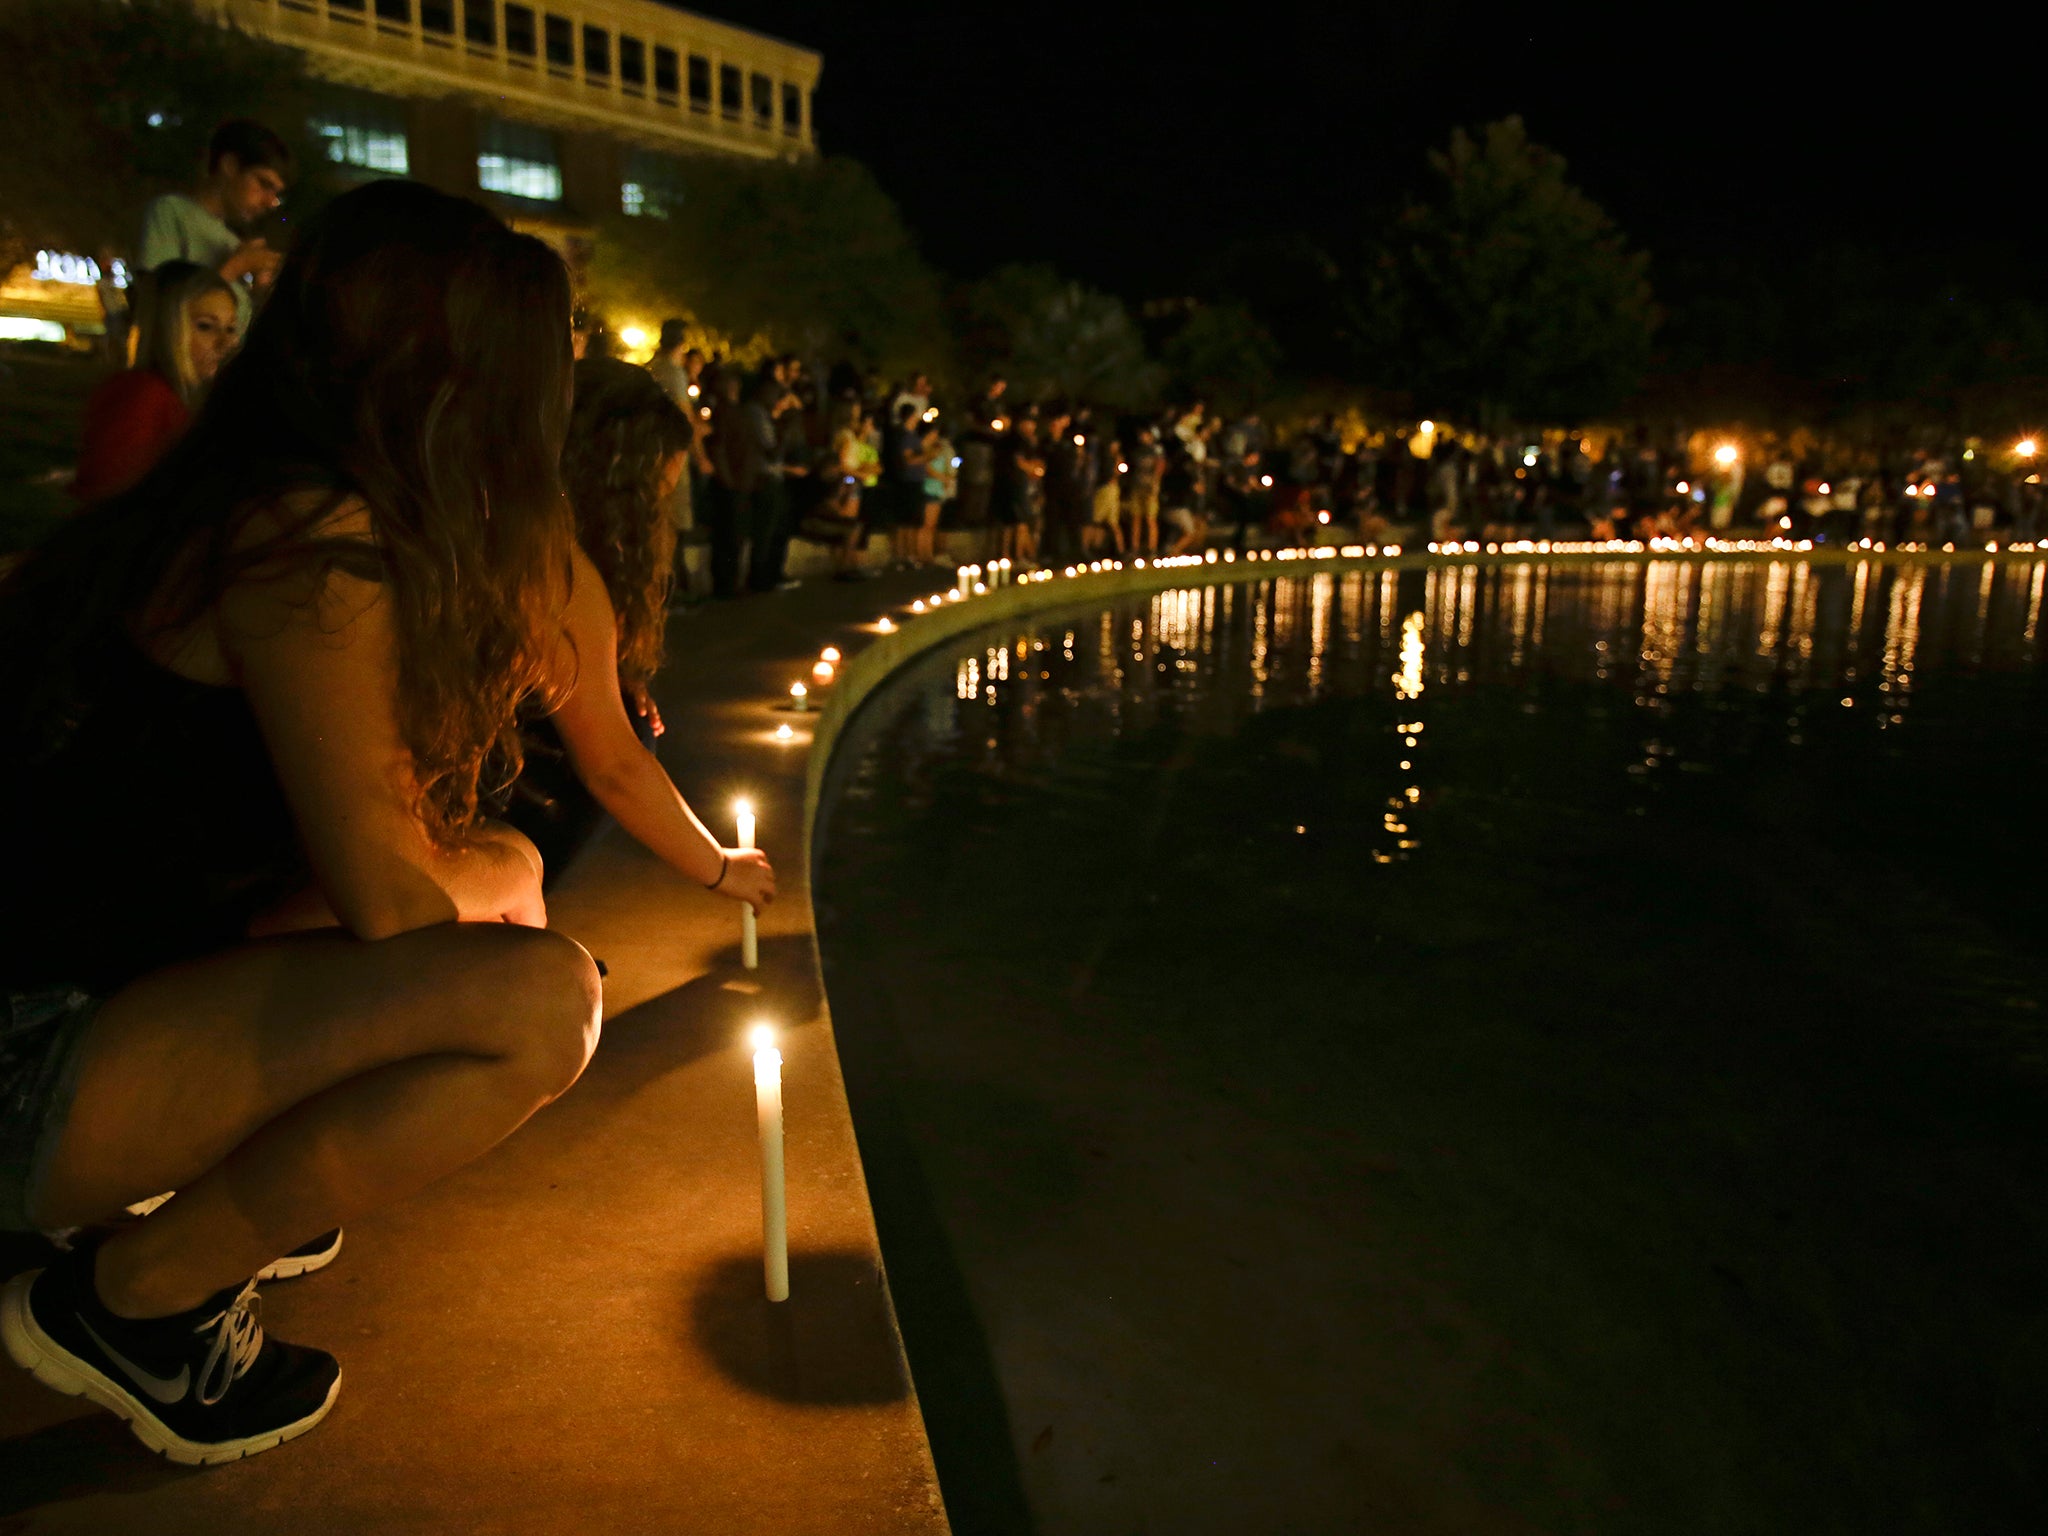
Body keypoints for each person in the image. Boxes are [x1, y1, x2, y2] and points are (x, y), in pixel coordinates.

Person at [0, 180, 599, 1464]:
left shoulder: (264, 502)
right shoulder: (308, 550)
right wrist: (506, 861)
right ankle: (142, 1300)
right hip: (24, 1057)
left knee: (485, 907)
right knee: (536, 1001)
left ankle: (215, 1215)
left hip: (80, 991)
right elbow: (394, 902)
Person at [503, 357, 779, 912]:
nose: (659, 518)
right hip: (474, 816)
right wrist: (721, 868)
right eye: (652, 497)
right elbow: (613, 766)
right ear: (610, 486)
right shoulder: (551, 566)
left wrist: (604, 674)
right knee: (628, 728)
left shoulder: (508, 527)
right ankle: (497, 937)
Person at [72, 263, 238, 504]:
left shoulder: (197, 400)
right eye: (205, 326)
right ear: (167, 327)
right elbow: (109, 497)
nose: (226, 343)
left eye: (231, 328)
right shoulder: (142, 397)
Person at [137, 119, 291, 338]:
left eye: (277, 194)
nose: (270, 202)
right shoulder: (171, 213)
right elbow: (158, 312)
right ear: (230, 166)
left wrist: (261, 295)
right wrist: (236, 267)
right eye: (264, 184)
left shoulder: (233, 242)